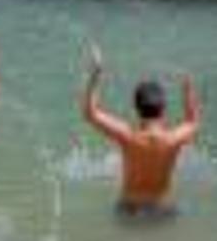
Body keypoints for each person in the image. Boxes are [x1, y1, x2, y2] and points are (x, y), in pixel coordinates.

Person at [80, 43, 201, 216]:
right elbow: (193, 121)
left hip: (130, 209)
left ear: (136, 108)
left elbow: (90, 113)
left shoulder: (127, 136)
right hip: (161, 209)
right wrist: (188, 86)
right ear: (163, 108)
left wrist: (96, 75)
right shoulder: (173, 139)